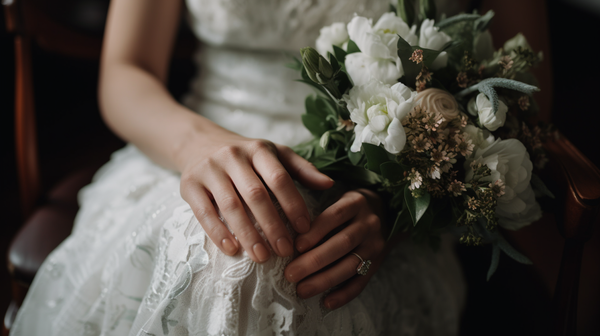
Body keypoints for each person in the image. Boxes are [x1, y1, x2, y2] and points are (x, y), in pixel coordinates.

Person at [10, 1, 475, 335]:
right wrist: (198, 145)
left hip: (395, 186)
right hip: (187, 142)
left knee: (288, 265)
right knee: (241, 257)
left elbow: (520, 104)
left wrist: (396, 208)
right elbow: (126, 70)